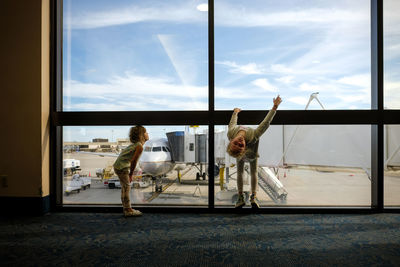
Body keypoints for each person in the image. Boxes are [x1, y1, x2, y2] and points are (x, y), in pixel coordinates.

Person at [227, 95, 282, 208]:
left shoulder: (231, 133)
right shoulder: (254, 136)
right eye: (240, 145)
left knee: (243, 172)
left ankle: (244, 197)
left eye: (236, 143)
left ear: (231, 140)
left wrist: (235, 113)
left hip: (246, 153)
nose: (239, 142)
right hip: (251, 154)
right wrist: (274, 107)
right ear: (243, 148)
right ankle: (251, 197)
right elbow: (265, 123)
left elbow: (232, 124)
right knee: (252, 172)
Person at [113, 125, 149, 217]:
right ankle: (128, 210)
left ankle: (127, 208)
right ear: (141, 135)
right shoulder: (139, 146)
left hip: (119, 166)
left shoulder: (136, 145)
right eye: (145, 132)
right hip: (122, 167)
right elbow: (133, 161)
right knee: (126, 188)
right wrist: (130, 174)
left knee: (124, 188)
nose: (148, 134)